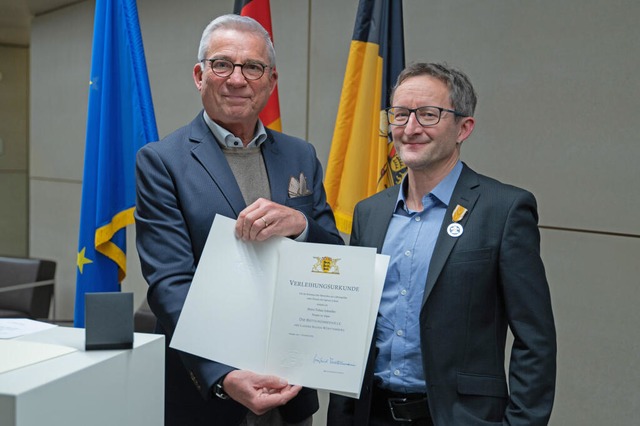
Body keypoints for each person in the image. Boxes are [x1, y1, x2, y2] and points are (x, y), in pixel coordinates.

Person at [135, 14, 343, 426]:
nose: (237, 79)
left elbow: (334, 258)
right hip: (207, 393)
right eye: (222, 64)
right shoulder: (162, 162)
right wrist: (223, 374)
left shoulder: (300, 155)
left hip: (291, 385)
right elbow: (169, 284)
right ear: (199, 75)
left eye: (252, 67)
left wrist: (301, 228)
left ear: (271, 80)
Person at [327, 62, 557, 425]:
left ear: (464, 127)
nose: (411, 129)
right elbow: (355, 327)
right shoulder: (369, 213)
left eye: (428, 115)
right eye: (400, 115)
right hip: (371, 414)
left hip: (460, 417)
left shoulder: (504, 209)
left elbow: (535, 340)